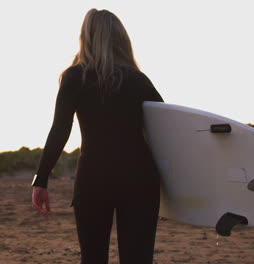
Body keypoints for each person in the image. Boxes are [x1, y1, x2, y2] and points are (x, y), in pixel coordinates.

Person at [31, 9, 163, 264]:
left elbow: (60, 129)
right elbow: (167, 130)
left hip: (94, 177)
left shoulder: (74, 77)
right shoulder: (138, 80)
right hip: (140, 178)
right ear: (121, 38)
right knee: (138, 258)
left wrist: (41, 178)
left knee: (92, 257)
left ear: (86, 37)